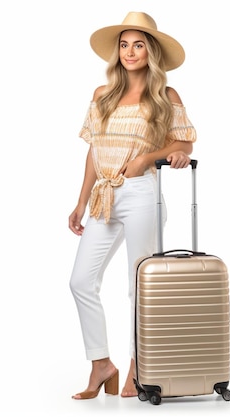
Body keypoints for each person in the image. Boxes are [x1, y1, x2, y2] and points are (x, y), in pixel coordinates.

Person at [68, 11, 197, 400]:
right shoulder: (101, 95)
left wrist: (150, 158)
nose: (130, 51)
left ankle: (141, 364)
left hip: (142, 192)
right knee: (80, 281)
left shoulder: (165, 96)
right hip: (104, 195)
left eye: (138, 44)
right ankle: (101, 364)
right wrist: (79, 202)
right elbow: (94, 151)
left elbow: (185, 143)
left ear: (150, 50)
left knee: (138, 285)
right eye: (124, 45)